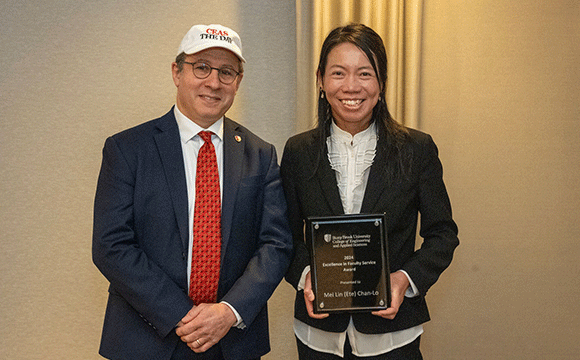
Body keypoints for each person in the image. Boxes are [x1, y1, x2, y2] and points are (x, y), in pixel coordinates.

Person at [92, 24, 293, 360]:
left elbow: (276, 244)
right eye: (201, 67)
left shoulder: (260, 154)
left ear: (238, 82)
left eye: (226, 72)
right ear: (176, 72)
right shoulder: (127, 149)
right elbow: (111, 245)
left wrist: (229, 311)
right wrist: (182, 315)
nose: (213, 82)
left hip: (231, 341)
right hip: (145, 339)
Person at [281, 24, 459, 359]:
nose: (351, 86)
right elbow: (285, 235)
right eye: (338, 73)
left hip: (392, 335)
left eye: (365, 73)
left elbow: (442, 234)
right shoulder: (298, 152)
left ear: (381, 83)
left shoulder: (416, 149)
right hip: (318, 334)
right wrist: (308, 278)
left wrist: (405, 279)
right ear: (320, 80)